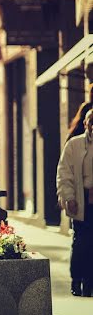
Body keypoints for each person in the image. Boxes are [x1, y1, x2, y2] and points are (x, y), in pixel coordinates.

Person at [56, 109, 93, 297]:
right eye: (91, 122)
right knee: (81, 243)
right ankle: (76, 279)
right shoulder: (74, 145)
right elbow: (64, 175)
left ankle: (90, 283)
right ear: (85, 124)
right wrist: (68, 198)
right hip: (82, 202)